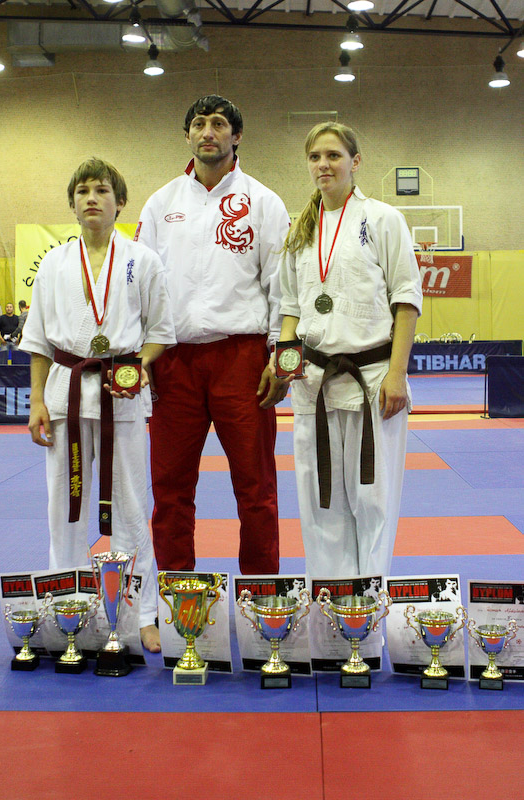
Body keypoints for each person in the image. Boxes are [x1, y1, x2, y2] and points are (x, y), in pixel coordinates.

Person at [20, 157, 176, 652]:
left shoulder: (143, 260)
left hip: (120, 395)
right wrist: (36, 401)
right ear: (72, 204)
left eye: (102, 190)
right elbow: (38, 340)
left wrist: (138, 367)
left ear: (120, 202)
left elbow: (160, 332)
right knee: (64, 506)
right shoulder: (54, 263)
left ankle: (142, 613)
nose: (92, 198)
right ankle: (64, 606)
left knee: (131, 507)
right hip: (65, 393)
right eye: (83, 191)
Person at [135, 95, 290, 574]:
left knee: (256, 486)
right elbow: (140, 286)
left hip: (242, 358)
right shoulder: (161, 203)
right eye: (199, 123)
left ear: (236, 136)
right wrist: (141, 357)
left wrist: (278, 354)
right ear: (186, 135)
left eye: (219, 124)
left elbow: (281, 286)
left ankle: (261, 598)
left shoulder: (263, 202)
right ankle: (176, 596)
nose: (208, 132)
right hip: (173, 359)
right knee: (170, 487)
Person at [278, 122, 423, 579]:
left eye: (334, 155)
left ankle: (369, 607)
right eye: (315, 157)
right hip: (313, 383)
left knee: (372, 500)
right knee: (320, 503)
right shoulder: (299, 231)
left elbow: (406, 300)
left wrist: (398, 374)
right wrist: (283, 362)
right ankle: (330, 606)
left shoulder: (382, 219)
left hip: (373, 380)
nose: (323, 164)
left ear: (355, 162)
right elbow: (289, 307)